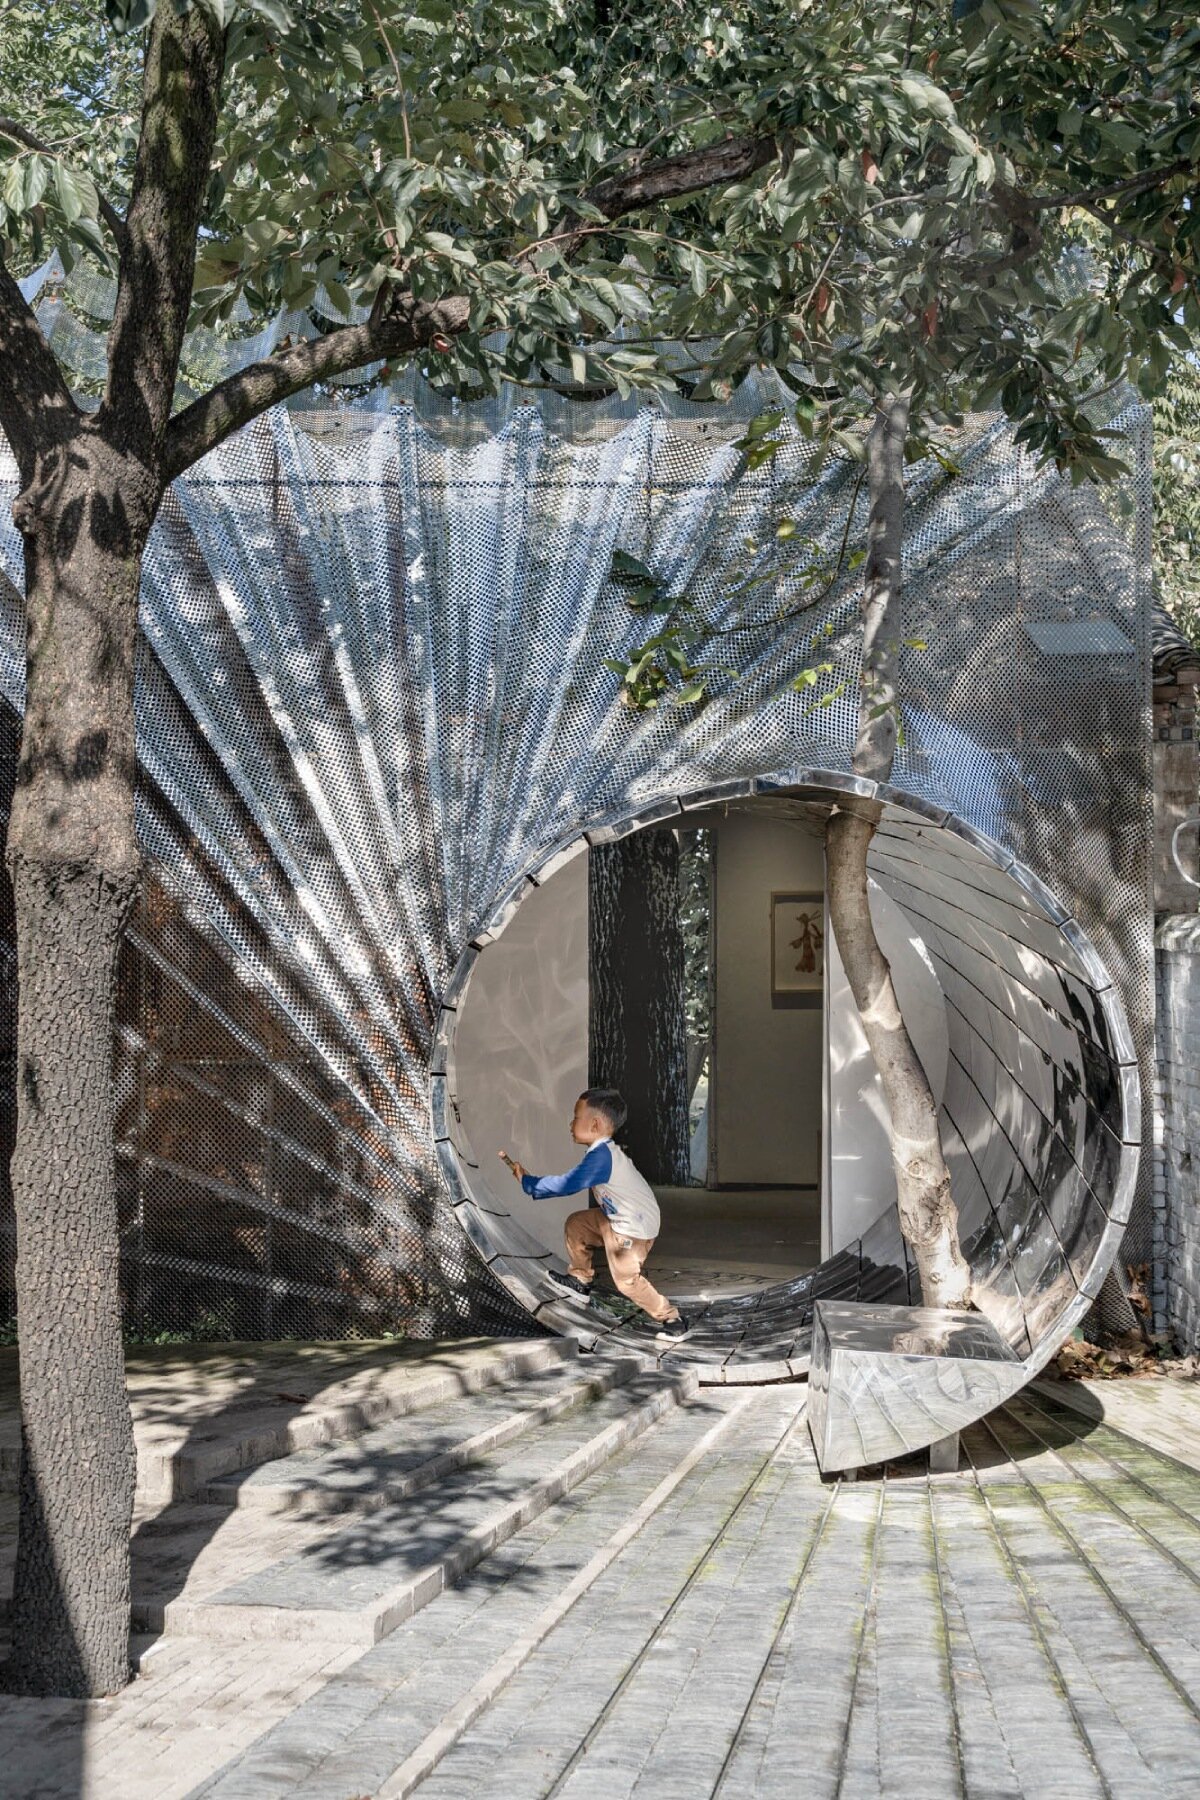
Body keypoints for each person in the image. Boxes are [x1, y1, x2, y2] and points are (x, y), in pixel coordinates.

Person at [500, 1088, 691, 1342]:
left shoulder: (602, 1158)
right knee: (578, 1224)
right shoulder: (601, 1153)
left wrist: (529, 1183)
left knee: (626, 1281)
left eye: (575, 1117)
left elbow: (568, 1184)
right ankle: (580, 1280)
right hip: (616, 1220)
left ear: (595, 1124)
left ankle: (672, 1318)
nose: (571, 1123)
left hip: (634, 1230)